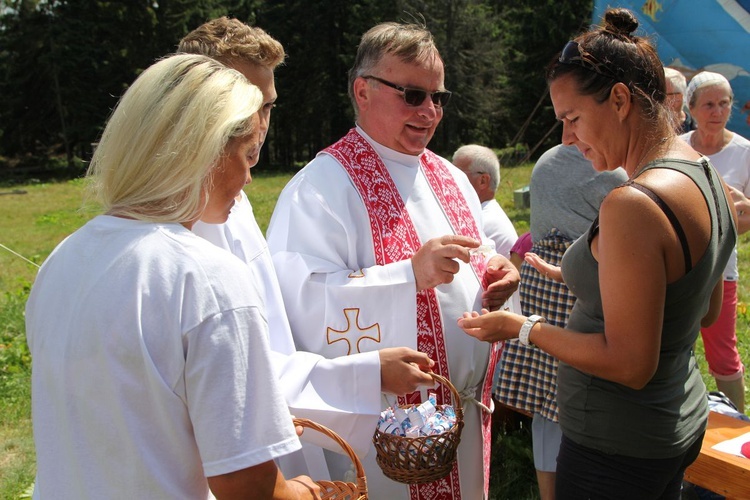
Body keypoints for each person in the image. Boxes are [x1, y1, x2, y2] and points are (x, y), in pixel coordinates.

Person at [459, 8, 737, 499]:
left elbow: (631, 364)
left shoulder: (633, 204)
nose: (567, 138)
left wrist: (522, 328)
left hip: (616, 445)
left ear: (621, 100)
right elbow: (701, 302)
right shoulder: (705, 173)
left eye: (572, 118)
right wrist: (593, 275)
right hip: (676, 419)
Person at [25, 54, 320, 499]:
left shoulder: (63, 258)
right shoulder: (205, 277)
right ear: (205, 152)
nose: (249, 177)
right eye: (246, 154)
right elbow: (246, 484)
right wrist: (302, 492)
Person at [267, 21, 521, 500]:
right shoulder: (319, 188)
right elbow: (299, 303)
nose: (429, 111)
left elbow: (480, 253)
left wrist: (496, 271)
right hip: (385, 432)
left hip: (460, 419)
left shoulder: (449, 175)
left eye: (438, 97)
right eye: (412, 94)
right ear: (363, 91)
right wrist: (408, 276)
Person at [178, 17, 436, 479]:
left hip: (280, 435)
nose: (260, 127)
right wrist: (367, 369)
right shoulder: (179, 226)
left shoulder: (232, 204)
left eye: (269, 107)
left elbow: (266, 346)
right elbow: (238, 372)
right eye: (247, 107)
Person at [494, 144, 626, 500]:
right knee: (587, 390)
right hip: (585, 284)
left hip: (541, 283)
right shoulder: (613, 168)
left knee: (546, 400)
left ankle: (550, 492)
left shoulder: (546, 159)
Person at [682, 70, 750, 413]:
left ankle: (738, 427)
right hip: (679, 268)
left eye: (724, 103)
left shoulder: (744, 152)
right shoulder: (678, 149)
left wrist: (727, 218)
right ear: (691, 108)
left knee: (723, 354)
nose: (717, 111)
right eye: (709, 104)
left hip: (720, 270)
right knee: (676, 348)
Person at [452, 144, 518, 257]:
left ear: (483, 181)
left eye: (457, 174)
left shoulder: (483, 221)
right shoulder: (486, 214)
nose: (449, 179)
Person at [664, 66, 694, 133]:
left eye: (659, 94)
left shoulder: (696, 133)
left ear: (678, 98)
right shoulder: (642, 130)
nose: (652, 98)